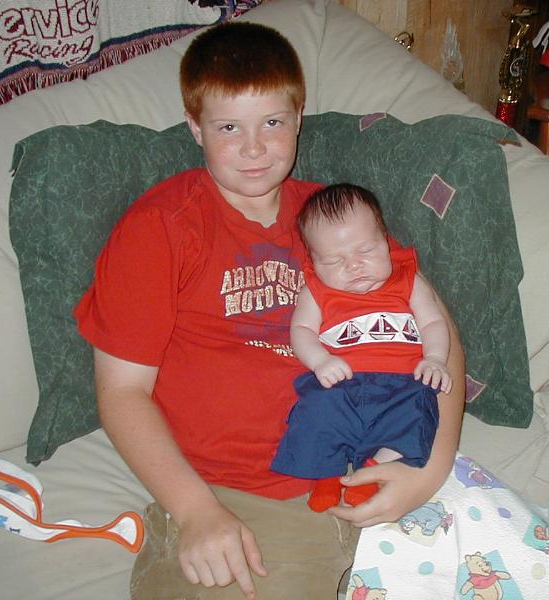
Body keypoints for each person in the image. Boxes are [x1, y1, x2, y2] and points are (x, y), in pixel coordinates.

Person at [73, 20, 465, 600]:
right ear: (195, 127)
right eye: (229, 127)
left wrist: (430, 468)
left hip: (377, 462)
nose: (253, 148)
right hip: (243, 497)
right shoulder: (160, 228)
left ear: (299, 118)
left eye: (273, 123)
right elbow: (122, 392)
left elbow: (434, 323)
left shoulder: (332, 217)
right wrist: (196, 511)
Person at [271, 184, 453, 513]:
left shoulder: (408, 281)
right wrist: (320, 361)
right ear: (313, 262)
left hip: (404, 384)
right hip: (342, 382)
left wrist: (436, 358)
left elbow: (432, 322)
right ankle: (326, 477)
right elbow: (301, 330)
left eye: (366, 251)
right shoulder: (317, 291)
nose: (354, 266)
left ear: (386, 241)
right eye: (334, 260)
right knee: (317, 413)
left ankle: (372, 470)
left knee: (417, 417)